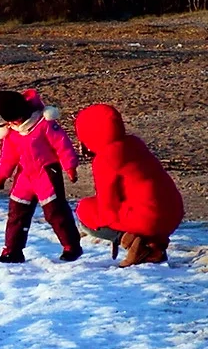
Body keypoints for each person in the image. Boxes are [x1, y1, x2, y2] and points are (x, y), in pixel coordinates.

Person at [74, 103, 184, 267]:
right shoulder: (134, 143)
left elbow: (107, 208)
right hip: (174, 212)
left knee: (85, 210)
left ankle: (135, 245)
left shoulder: (105, 158)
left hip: (149, 218)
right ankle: (154, 246)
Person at [0, 89, 82, 263]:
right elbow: (8, 156)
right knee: (16, 212)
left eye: (16, 117)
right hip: (25, 174)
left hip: (47, 171)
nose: (14, 122)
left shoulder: (44, 124)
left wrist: (70, 167)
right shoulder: (11, 132)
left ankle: (71, 246)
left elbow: (62, 145)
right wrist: (1, 176)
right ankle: (13, 250)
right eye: (10, 120)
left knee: (55, 211)